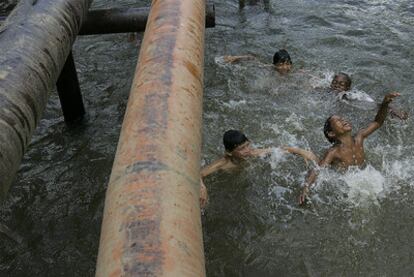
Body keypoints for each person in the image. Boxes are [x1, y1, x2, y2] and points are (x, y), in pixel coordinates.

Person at [298, 92, 400, 205]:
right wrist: (306, 187)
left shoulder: (359, 138)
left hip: (363, 176)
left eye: (342, 118)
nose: (343, 120)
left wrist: (384, 103)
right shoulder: (333, 152)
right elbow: (318, 169)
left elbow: (378, 122)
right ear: (331, 133)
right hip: (347, 184)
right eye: (338, 121)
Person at [199, 129, 318, 207]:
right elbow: (199, 174)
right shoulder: (223, 163)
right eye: (241, 149)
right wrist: (202, 187)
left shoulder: (252, 153)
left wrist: (300, 151)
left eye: (247, 145)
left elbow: (279, 149)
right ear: (229, 153)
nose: (247, 151)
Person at [330, 72, 408, 120]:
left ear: (347, 88)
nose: (336, 85)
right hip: (361, 99)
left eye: (341, 84)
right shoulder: (333, 91)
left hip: (360, 100)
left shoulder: (346, 95)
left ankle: (391, 108)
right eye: (334, 82)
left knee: (376, 107)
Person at [220, 49, 293, 74]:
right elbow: (253, 59)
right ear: (274, 64)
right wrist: (235, 58)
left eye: (287, 63)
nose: (285, 67)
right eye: (281, 64)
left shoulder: (294, 72)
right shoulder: (271, 68)